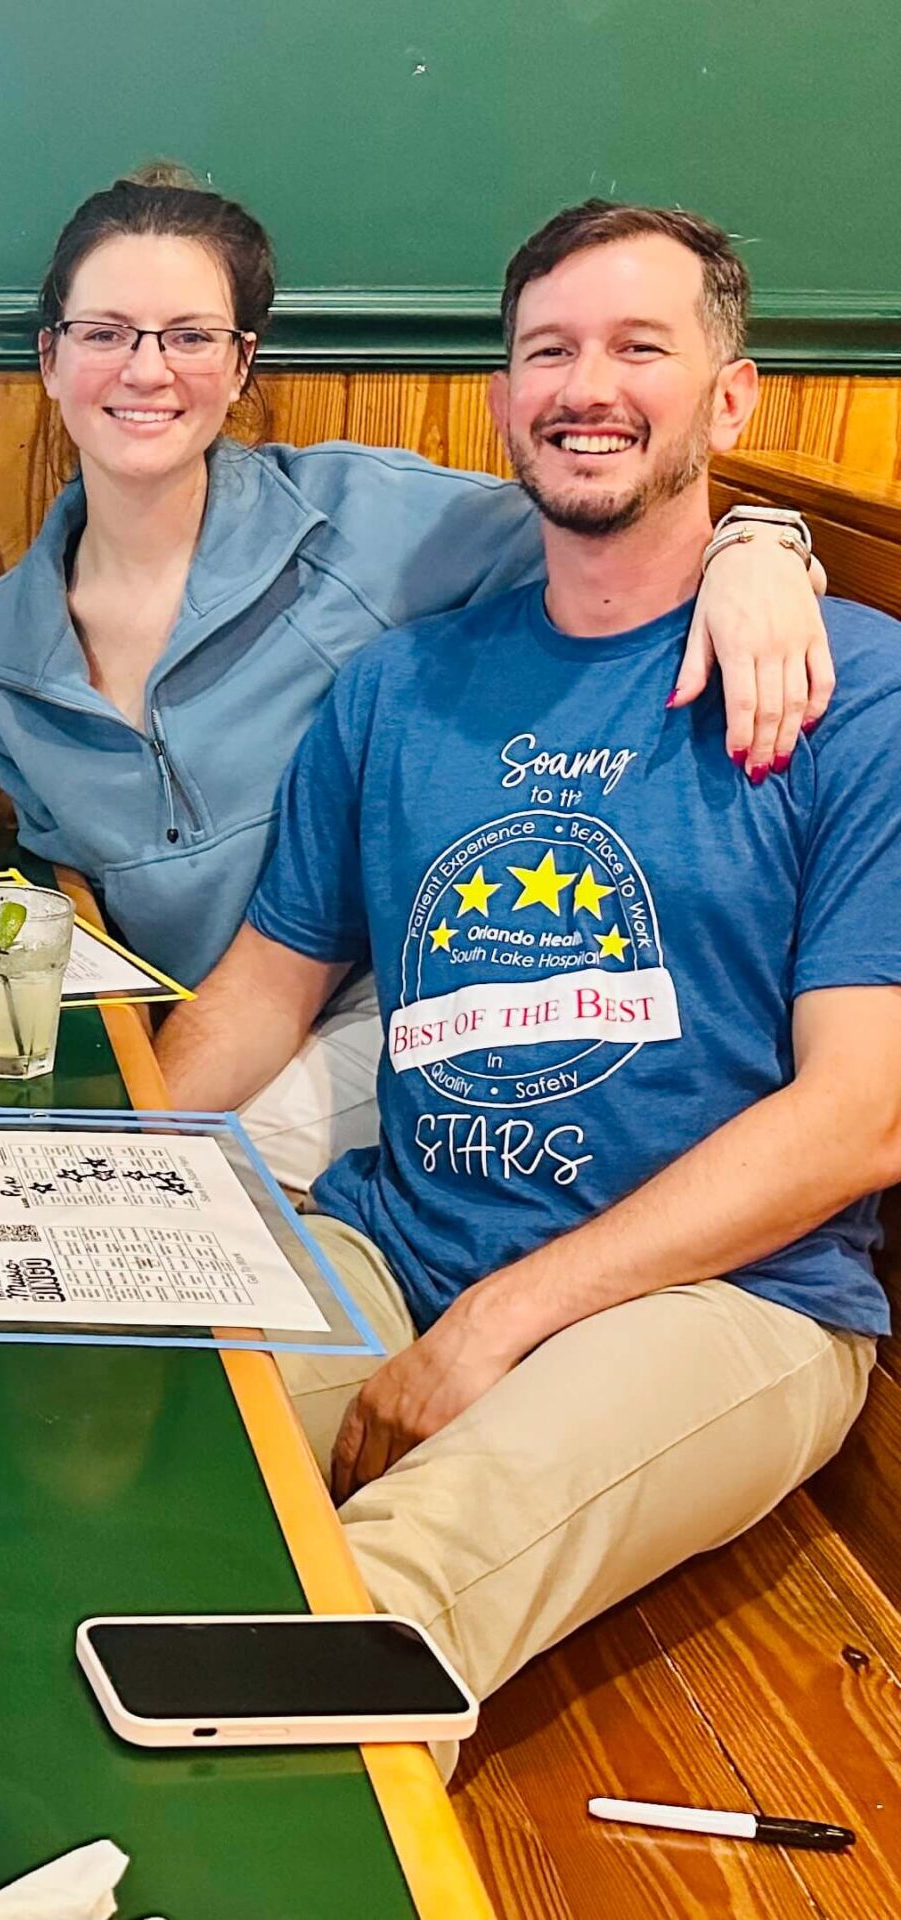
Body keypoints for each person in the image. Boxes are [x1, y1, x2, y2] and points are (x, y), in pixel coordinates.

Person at [157, 202, 901, 1706]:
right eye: (549, 350)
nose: (588, 386)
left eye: (643, 346)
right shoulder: (400, 688)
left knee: (382, 1598)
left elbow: (862, 1116)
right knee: (125, 1455)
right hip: (393, 1239)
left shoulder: (853, 688)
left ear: (732, 395)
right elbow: (260, 991)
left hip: (729, 1302)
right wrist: (114, 1172)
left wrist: (506, 1317)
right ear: (502, 398)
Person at [0, 166, 831, 1189]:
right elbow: (87, 908)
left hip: (417, 1021)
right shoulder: (2, 652)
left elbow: (618, 518)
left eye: (189, 336)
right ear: (51, 358)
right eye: (105, 332)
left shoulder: (377, 526)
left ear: (240, 365)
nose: (146, 370)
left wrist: (760, 546)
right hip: (213, 1029)